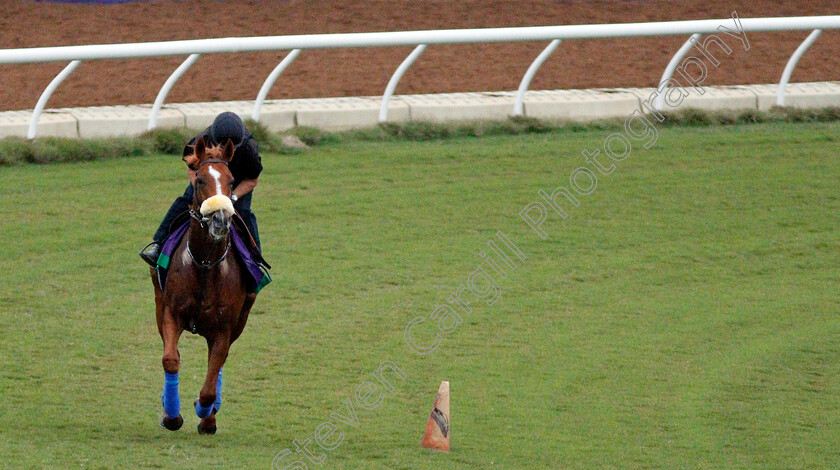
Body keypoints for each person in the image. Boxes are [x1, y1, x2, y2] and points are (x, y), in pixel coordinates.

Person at [139, 112, 263, 267]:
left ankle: (256, 259)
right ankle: (158, 245)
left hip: (236, 183)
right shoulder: (199, 142)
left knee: (243, 212)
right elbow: (192, 168)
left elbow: (252, 180)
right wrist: (199, 185)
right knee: (186, 200)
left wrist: (232, 197)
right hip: (207, 178)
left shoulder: (248, 149)